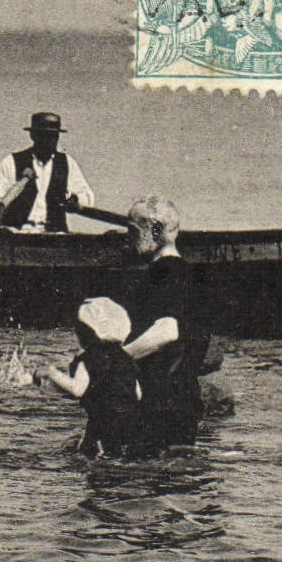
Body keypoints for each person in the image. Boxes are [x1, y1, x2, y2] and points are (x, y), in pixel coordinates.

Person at [120, 196, 204, 448]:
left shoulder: (164, 272)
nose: (127, 239)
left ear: (156, 231)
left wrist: (112, 360)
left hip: (160, 404)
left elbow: (167, 331)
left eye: (133, 231)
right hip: (181, 399)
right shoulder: (188, 274)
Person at [34, 297, 154, 459]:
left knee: (94, 459)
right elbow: (137, 394)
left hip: (103, 424)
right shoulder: (126, 358)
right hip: (134, 424)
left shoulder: (87, 359)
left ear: (84, 334)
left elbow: (78, 389)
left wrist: (52, 373)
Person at [0, 112, 95, 232]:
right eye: (44, 135)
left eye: (54, 135)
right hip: (17, 232)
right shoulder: (13, 161)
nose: (49, 140)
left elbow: (85, 195)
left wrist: (75, 200)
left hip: (54, 234)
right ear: (33, 135)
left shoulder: (66, 163)